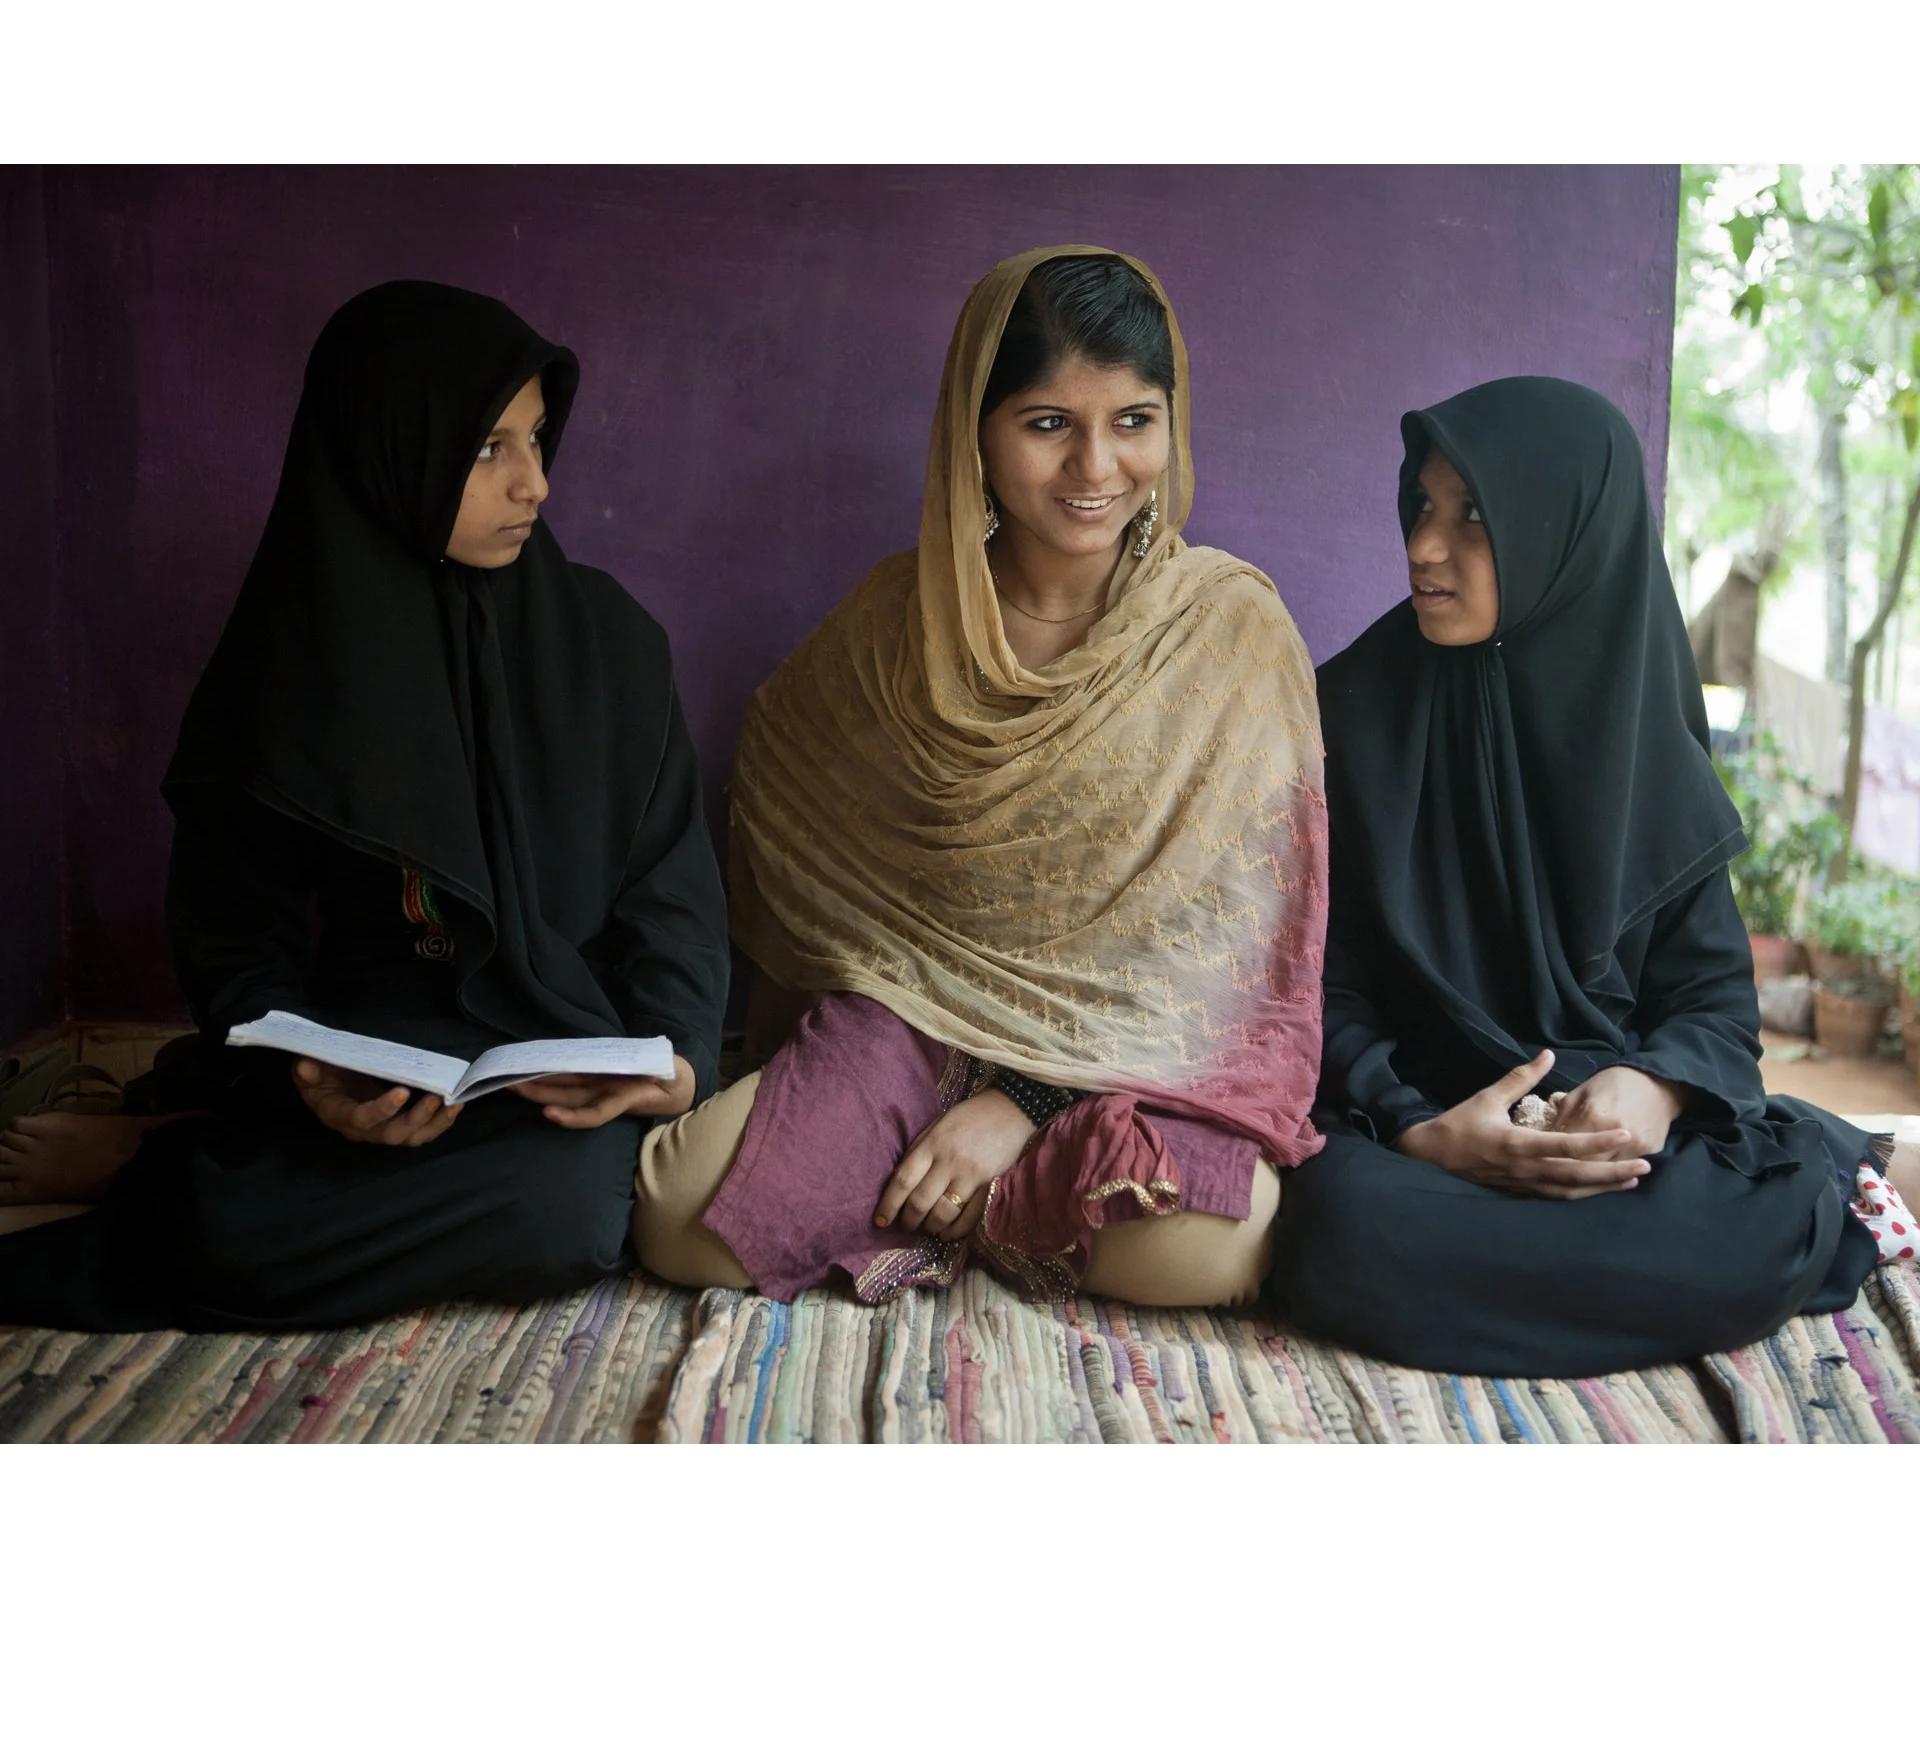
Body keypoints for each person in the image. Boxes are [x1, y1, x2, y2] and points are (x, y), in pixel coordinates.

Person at [0, 281, 729, 1331]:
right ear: (394, 449)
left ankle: (174, 1159)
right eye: (488, 449)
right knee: (231, 1224)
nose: (535, 484)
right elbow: (231, 923)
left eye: (536, 440)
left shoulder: (609, 645)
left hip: (556, 1056)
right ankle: (195, 1162)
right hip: (365, 1057)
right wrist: (308, 1073)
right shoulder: (294, 651)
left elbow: (674, 894)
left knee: (567, 1220)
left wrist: (674, 1056)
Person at [631, 246, 1328, 1307]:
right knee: (679, 1222)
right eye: (1049, 423)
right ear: (977, 432)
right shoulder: (896, 624)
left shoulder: (1228, 630)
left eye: (1134, 420)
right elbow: (783, 780)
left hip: (1130, 1069)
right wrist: (924, 1039)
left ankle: (972, 1197)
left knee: (1213, 1247)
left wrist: (1026, 1104)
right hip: (909, 1025)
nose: (1096, 468)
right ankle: (984, 1209)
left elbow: (1240, 948)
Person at [1269, 375, 1916, 1379]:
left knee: (1747, 1209)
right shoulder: (1353, 712)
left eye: (1474, 514)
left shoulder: (1642, 737)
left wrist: (1648, 1089)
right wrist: (1425, 1131)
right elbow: (1324, 989)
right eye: (1423, 506)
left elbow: (1710, 1004)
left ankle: (1788, 1198)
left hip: (1607, 1138)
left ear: (1565, 533)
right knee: (1340, 1227)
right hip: (1424, 1131)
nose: (1425, 547)